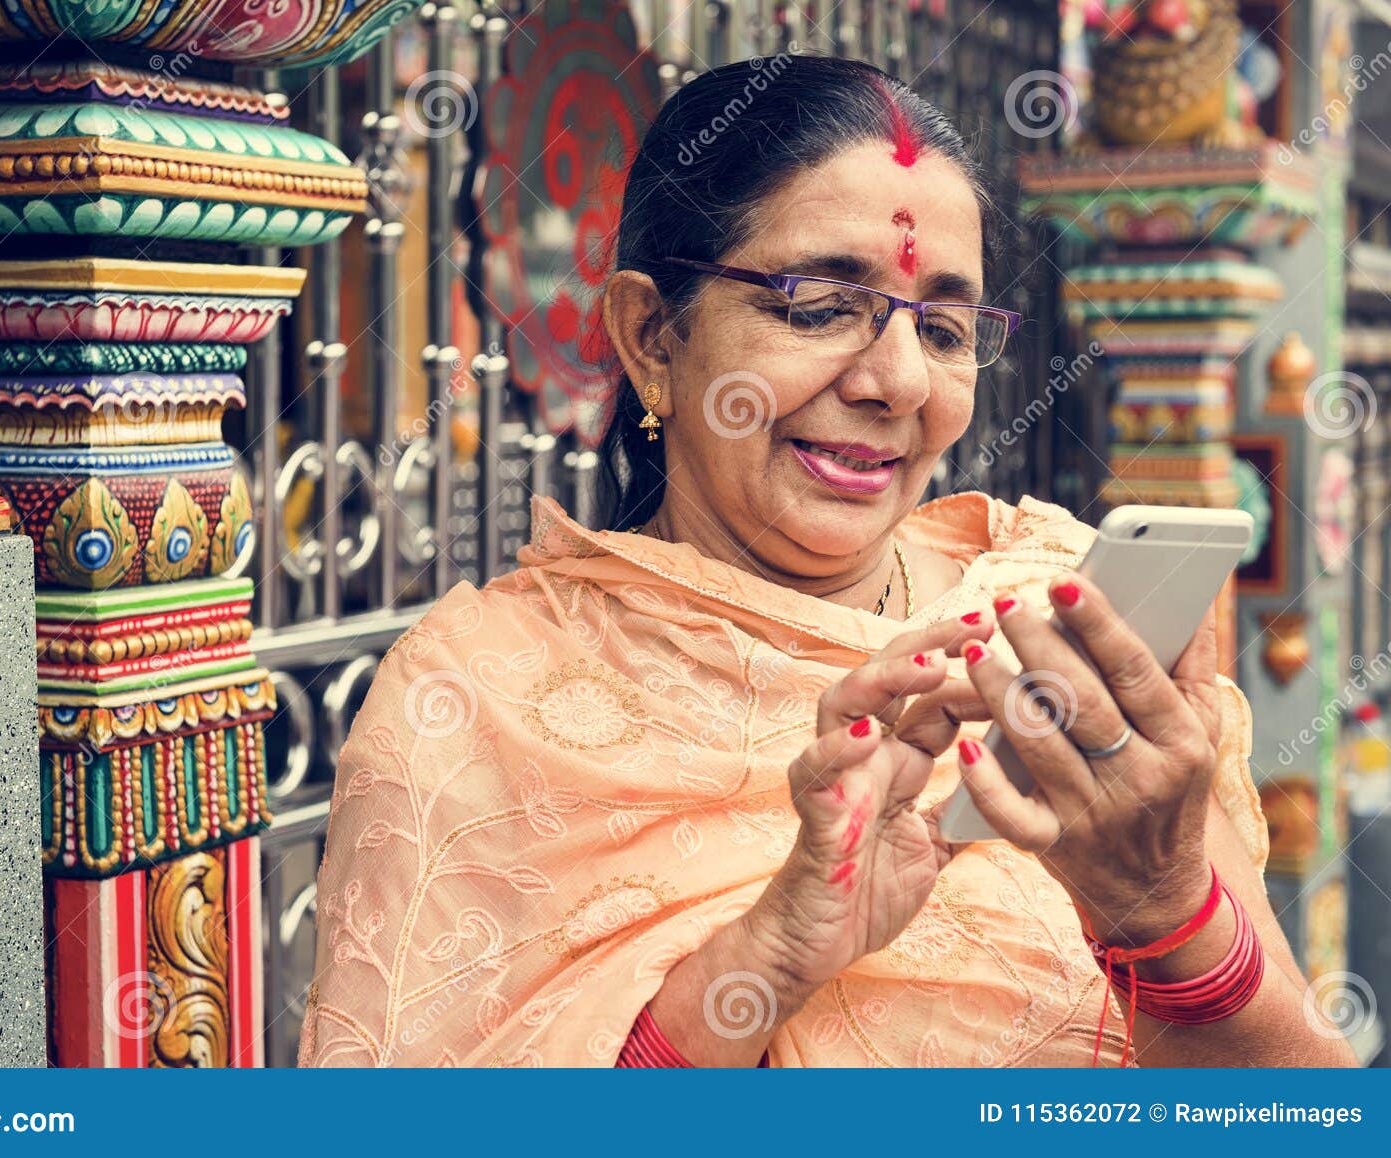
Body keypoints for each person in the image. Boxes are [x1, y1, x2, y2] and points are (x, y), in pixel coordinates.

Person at [297, 54, 1355, 1067]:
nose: (896, 381)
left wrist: (1169, 918)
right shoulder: (481, 690)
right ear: (650, 336)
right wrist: (768, 956)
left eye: (943, 330)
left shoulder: (1063, 616)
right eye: (816, 306)